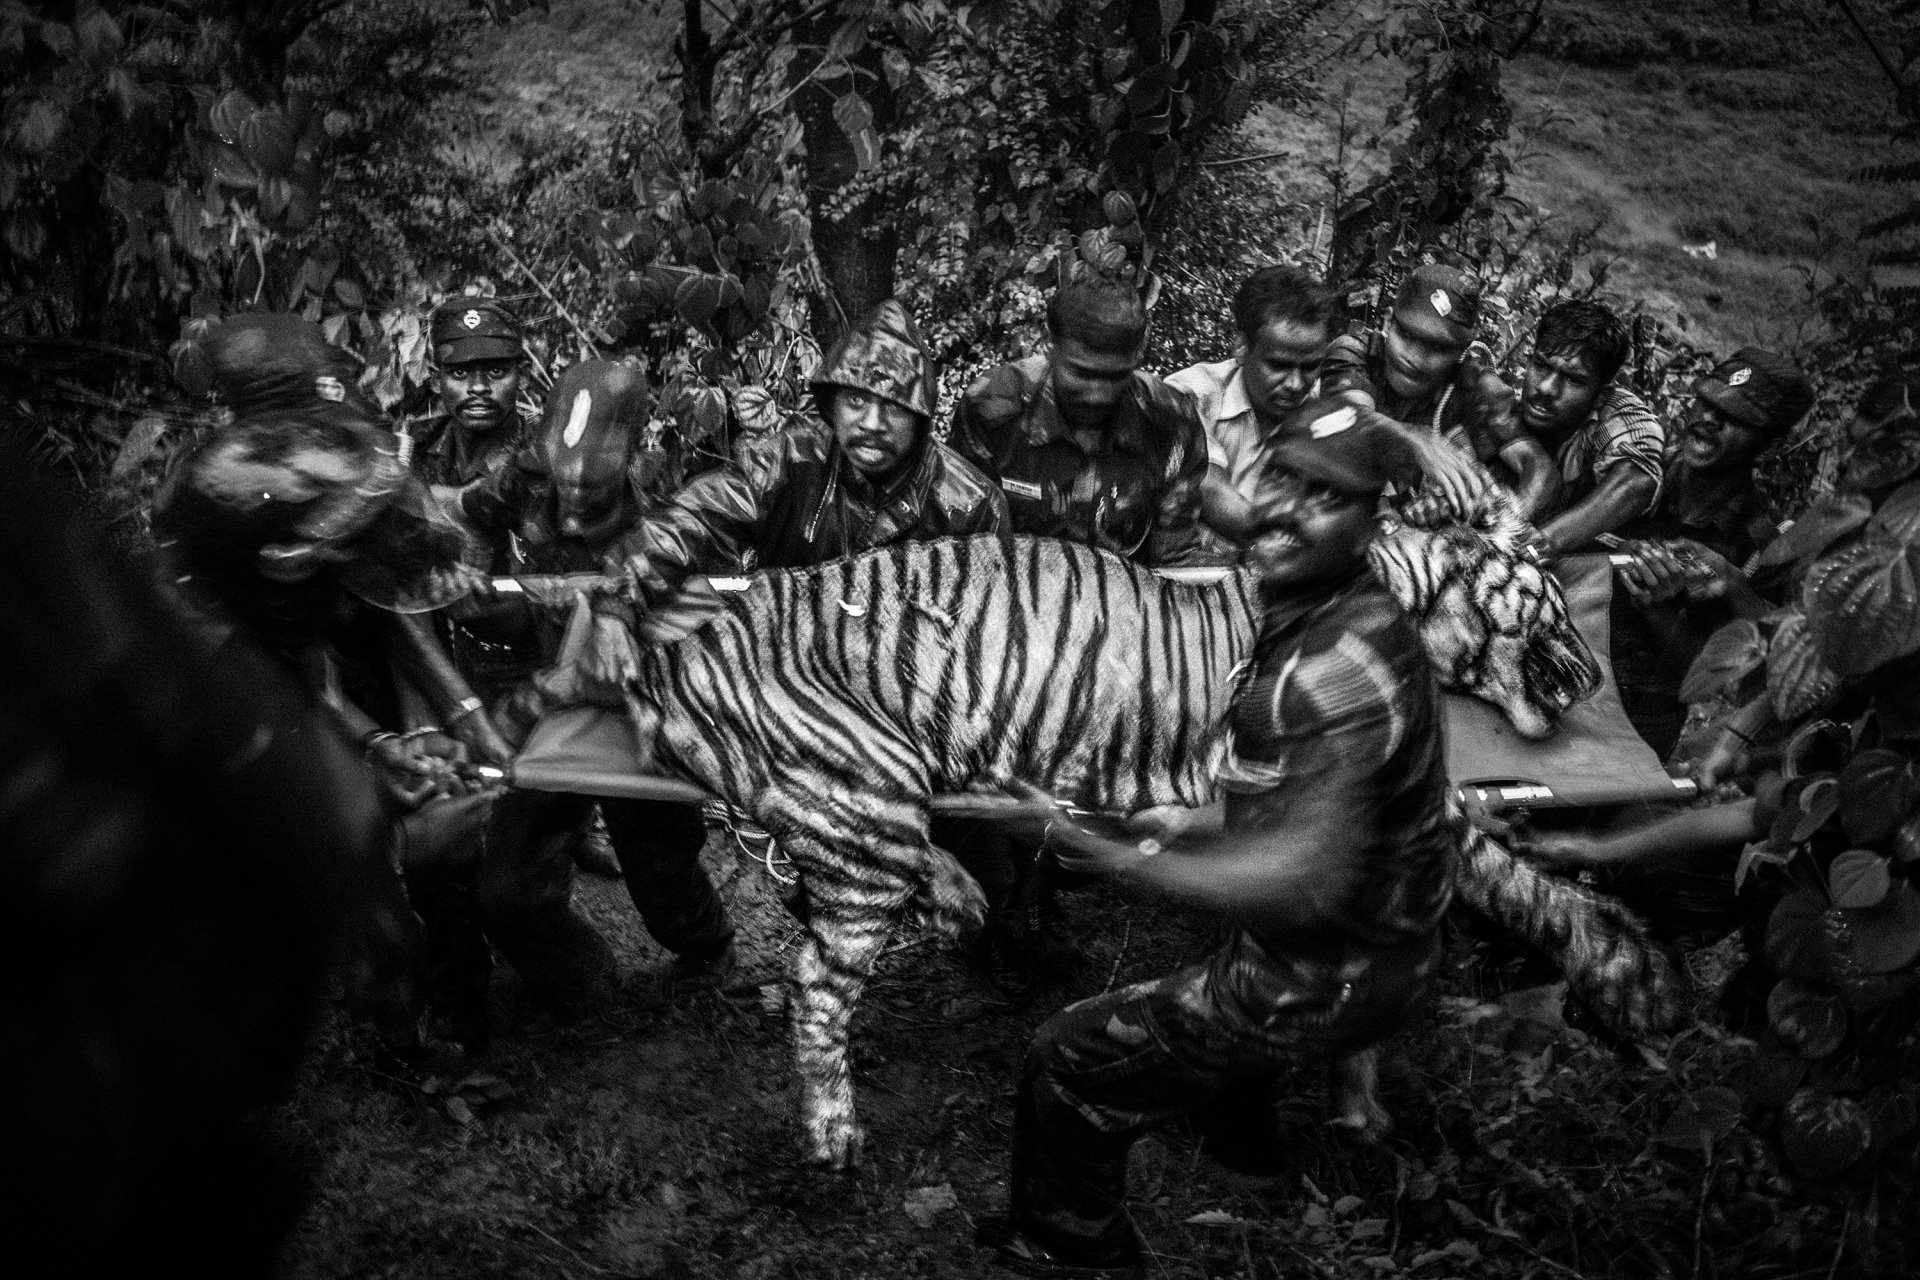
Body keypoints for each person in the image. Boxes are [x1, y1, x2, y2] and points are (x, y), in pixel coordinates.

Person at [971, 401, 1455, 1276]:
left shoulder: (1331, 671)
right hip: (1355, 938)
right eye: (1280, 478)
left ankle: (1071, 1252)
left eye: (1326, 497)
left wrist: (1126, 858)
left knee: (1066, 1064)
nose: (1285, 509)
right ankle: (1242, 1139)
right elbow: (1271, 805)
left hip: (1333, 969)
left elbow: (1292, 879)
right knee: (1211, 1036)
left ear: (1371, 519)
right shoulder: (1318, 605)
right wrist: (1151, 819)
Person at [461, 359, 740, 993]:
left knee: (662, 867)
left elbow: (703, 604)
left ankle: (708, 949)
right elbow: (472, 516)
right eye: (565, 484)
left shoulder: (671, 503)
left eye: (594, 488)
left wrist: (614, 605)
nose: (574, 503)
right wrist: (487, 580)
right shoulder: (526, 475)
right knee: (506, 883)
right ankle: (576, 979)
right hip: (549, 699)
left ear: (635, 456)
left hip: (641, 699)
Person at [1609, 348, 1815, 757]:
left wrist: (1670, 604)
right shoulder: (1627, 477)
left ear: (1770, 448)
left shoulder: (1767, 547)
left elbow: (1721, 684)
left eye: (1736, 418)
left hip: (1641, 726)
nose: (1709, 420)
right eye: (1707, 403)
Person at [947, 276, 1209, 566]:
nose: (1098, 396)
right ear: (1049, 344)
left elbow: (1174, 554)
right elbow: (963, 546)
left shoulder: (1171, 422)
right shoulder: (993, 407)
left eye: (1116, 376)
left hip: (1127, 600)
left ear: (1137, 355)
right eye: (1081, 374)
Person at [1322, 264, 1557, 519]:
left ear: (1461, 351)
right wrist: (1416, 439)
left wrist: (1502, 531)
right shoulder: (1355, 352)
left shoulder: (1474, 388)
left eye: (1436, 348)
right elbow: (1347, 420)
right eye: (1406, 335)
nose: (1414, 357)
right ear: (1389, 320)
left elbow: (1540, 470)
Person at [1167, 263, 1342, 552]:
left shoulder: (1326, 417)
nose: (1296, 384)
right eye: (1279, 366)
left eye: (1310, 366)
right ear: (1241, 347)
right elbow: (1208, 488)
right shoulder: (1190, 395)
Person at [1514, 300, 1665, 558]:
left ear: (1600, 394)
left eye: (1573, 379)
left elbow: (1635, 482)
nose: (1547, 389)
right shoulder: (1500, 399)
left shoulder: (1620, 413)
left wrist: (1539, 545)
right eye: (1541, 366)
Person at [402, 295, 535, 489]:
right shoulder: (414, 444)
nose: (479, 387)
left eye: (496, 371)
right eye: (460, 372)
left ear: (522, 376)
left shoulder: (544, 458)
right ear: (436, 380)